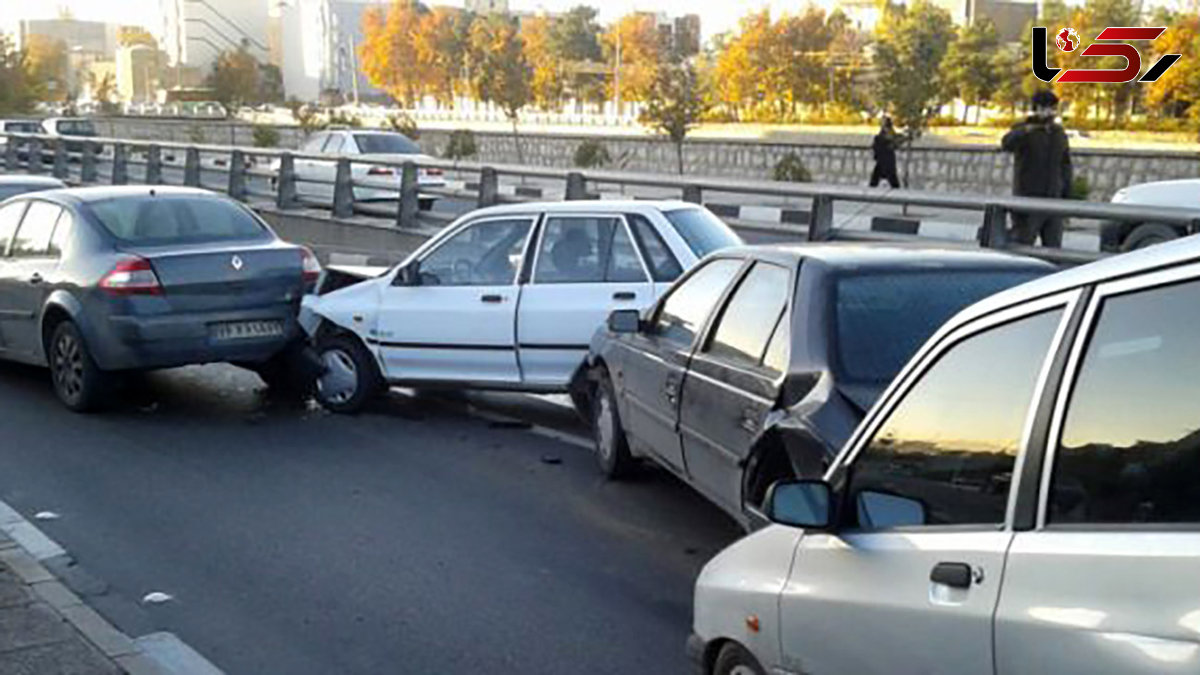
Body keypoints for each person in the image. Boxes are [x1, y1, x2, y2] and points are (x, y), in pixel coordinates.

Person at [1001, 90, 1073, 248]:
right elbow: (1006, 144)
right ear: (1036, 108)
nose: (1049, 112)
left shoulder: (1058, 133)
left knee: (1054, 248)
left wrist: (1066, 197)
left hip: (1054, 200)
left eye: (1052, 108)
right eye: (1044, 108)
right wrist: (1027, 129)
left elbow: (1065, 166)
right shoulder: (1024, 129)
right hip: (1028, 198)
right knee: (1023, 244)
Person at [870, 117, 901, 189]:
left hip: (887, 159)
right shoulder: (882, 134)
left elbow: (894, 143)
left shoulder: (890, 134)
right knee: (876, 177)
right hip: (882, 159)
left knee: (891, 176)